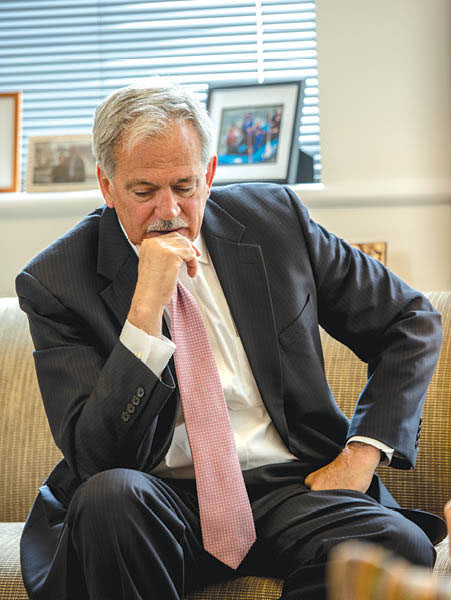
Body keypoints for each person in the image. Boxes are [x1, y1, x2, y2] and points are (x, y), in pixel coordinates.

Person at [16, 81, 445, 600]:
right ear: (107, 187)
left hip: (289, 485)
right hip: (156, 500)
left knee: (397, 544)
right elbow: (96, 458)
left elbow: (410, 318)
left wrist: (360, 455)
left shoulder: (277, 222)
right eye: (144, 191)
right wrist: (145, 310)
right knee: (108, 498)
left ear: (211, 173)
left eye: (184, 185)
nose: (169, 211)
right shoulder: (57, 281)